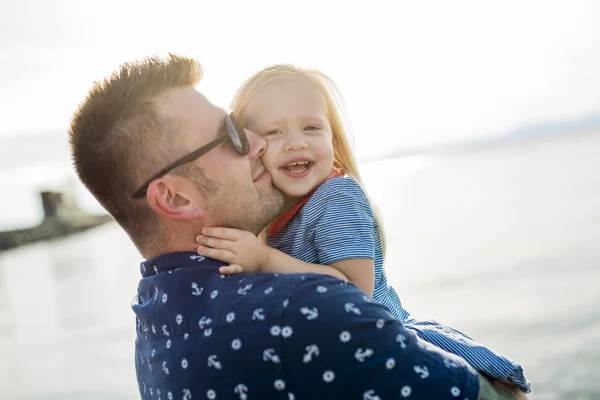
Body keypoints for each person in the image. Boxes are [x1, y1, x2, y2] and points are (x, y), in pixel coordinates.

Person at [69, 54, 525, 399]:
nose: (257, 144)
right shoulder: (308, 311)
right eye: (231, 133)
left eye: (310, 128)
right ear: (174, 196)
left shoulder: (155, 319)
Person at [193, 64, 531, 393]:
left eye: (311, 128)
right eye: (274, 132)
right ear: (252, 149)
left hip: (393, 352)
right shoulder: (271, 216)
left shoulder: (335, 196)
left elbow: (356, 292)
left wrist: (262, 259)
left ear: (333, 139)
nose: (296, 143)